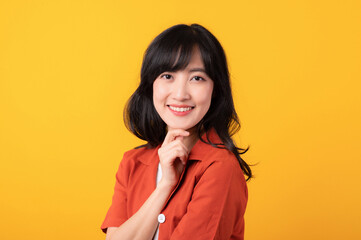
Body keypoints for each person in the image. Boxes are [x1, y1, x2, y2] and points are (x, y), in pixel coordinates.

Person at [101, 23, 252, 240]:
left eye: (197, 78)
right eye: (167, 76)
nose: (180, 94)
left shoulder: (220, 167)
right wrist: (165, 186)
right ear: (151, 84)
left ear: (215, 89)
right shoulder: (132, 162)